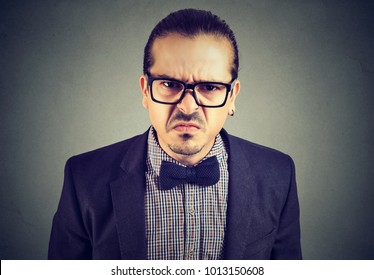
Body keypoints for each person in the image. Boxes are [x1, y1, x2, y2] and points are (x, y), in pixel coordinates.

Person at [48, 8, 302, 260]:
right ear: (146, 91)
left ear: (232, 96)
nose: (188, 106)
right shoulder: (83, 177)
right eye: (169, 84)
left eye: (210, 87)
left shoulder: (278, 175)